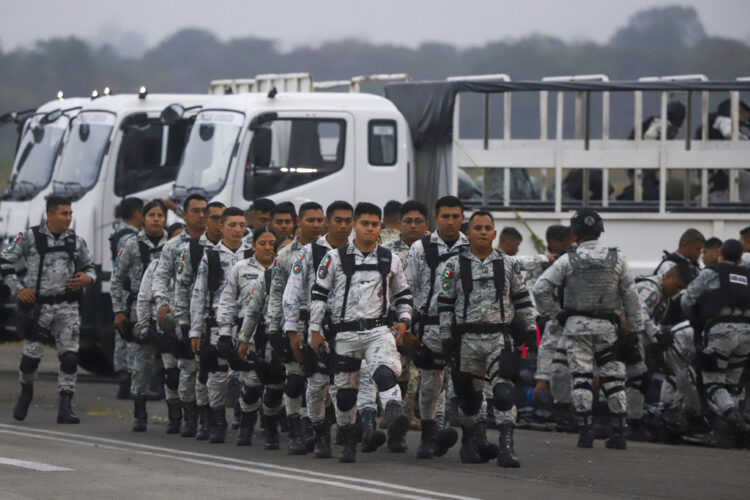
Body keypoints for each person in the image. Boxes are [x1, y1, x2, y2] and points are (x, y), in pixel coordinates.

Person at [309, 202, 413, 463]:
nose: (370, 228)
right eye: (365, 223)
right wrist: (314, 331)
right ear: (355, 225)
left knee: (385, 371)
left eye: (375, 224)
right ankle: (347, 439)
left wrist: (404, 320)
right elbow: (319, 295)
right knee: (345, 395)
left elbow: (403, 294)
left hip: (378, 330)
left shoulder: (390, 258)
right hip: (344, 334)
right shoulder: (334, 258)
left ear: (380, 226)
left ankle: (394, 414)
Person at [534, 208, 644, 450]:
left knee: (581, 378)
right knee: (614, 378)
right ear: (600, 231)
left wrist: (556, 314)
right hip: (608, 327)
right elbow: (631, 296)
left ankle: (585, 432)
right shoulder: (618, 258)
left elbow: (540, 288)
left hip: (576, 327)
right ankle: (619, 432)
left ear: (574, 234)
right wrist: (635, 330)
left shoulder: (568, 259)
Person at [438, 210, 537, 467]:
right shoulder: (453, 265)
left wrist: (530, 331)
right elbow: (445, 303)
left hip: (499, 339)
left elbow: (523, 299)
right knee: (469, 399)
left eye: (487, 228)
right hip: (466, 341)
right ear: (468, 233)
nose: (482, 232)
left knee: (504, 394)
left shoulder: (509, 264)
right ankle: (471, 443)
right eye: (477, 228)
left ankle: (506, 446)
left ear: (494, 233)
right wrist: (446, 337)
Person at [6, 195, 96, 424]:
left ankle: (65, 405)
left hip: (68, 307)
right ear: (50, 214)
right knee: (30, 359)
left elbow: (90, 267)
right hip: (38, 308)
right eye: (64, 213)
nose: (68, 218)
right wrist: (18, 290)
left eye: (70, 213)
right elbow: (4, 261)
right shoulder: (29, 237)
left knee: (70, 358)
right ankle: (26, 391)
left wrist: (87, 279)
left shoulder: (76, 241)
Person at [282, 200, 354, 458]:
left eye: (348, 221)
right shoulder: (309, 252)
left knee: (347, 383)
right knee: (316, 384)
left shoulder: (359, 252)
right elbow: (292, 292)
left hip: (350, 328)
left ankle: (347, 436)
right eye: (338, 220)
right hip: (316, 327)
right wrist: (291, 331)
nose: (343, 226)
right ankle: (320, 432)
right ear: (327, 222)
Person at [405, 195, 467, 459]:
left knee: (470, 383)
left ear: (462, 218)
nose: (450, 222)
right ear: (436, 218)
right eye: (445, 216)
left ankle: (472, 439)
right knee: (431, 384)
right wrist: (407, 327)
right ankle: (428, 436)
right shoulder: (420, 248)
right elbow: (408, 288)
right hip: (430, 326)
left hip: (465, 328)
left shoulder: (471, 247)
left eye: (455, 216)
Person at [266, 202, 326, 454]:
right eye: (310, 220)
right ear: (299, 222)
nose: (316, 225)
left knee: (320, 380)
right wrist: (274, 328)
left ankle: (315, 427)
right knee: (294, 380)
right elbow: (276, 293)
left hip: (324, 323)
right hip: (295, 324)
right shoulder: (285, 255)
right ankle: (295, 431)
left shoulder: (334, 252)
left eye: (319, 220)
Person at [189, 207, 252, 444]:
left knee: (247, 375)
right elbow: (199, 294)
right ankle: (217, 421)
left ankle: (245, 422)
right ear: (221, 227)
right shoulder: (211, 256)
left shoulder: (252, 254)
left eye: (242, 225)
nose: (237, 230)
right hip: (218, 323)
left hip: (247, 324)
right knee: (217, 375)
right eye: (232, 225)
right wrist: (196, 330)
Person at [151, 194, 209, 438]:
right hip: (181, 315)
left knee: (208, 370)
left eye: (205, 210)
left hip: (209, 315)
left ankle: (208, 418)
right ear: (183, 214)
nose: (201, 215)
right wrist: (162, 304)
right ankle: (186, 416)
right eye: (195, 211)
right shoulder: (173, 246)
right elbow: (161, 277)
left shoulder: (215, 243)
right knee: (184, 369)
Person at [680, 239, 750, 439]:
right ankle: (731, 433)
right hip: (747, 334)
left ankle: (735, 419)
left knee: (712, 384)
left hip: (720, 332)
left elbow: (687, 300)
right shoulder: (747, 275)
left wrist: (696, 319)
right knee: (731, 384)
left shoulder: (712, 272)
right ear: (739, 258)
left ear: (720, 254)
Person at [218, 226, 278, 447]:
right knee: (252, 384)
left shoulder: (284, 268)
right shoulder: (240, 268)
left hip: (275, 335)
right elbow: (227, 301)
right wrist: (225, 333)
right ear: (253, 246)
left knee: (275, 385)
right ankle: (246, 425)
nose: (268, 247)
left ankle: (270, 428)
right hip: (249, 334)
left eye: (272, 243)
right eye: (262, 243)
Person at [112, 200, 168, 432]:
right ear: (143, 218)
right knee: (141, 362)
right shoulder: (131, 244)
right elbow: (116, 278)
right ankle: (140, 411)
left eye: (160, 215)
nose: (156, 219)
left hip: (167, 310)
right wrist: (118, 310)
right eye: (151, 215)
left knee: (172, 361)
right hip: (139, 309)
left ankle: (178, 414)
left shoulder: (174, 245)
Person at [173, 201, 226, 439]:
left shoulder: (239, 248)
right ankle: (198, 418)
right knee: (199, 371)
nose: (219, 223)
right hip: (200, 320)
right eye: (214, 218)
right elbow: (183, 287)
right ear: (206, 220)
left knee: (220, 372)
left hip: (227, 321)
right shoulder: (193, 249)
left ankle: (218, 418)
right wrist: (185, 322)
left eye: (223, 218)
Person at [624, 264, 692, 440]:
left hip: (630, 336)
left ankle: (630, 420)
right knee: (637, 379)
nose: (677, 291)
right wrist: (657, 335)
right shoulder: (653, 290)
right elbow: (641, 314)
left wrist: (656, 340)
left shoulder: (662, 294)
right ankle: (632, 423)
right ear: (667, 276)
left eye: (681, 289)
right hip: (627, 336)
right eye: (677, 286)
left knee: (636, 379)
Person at [133, 218, 183, 433]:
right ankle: (141, 414)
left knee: (177, 374)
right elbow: (144, 298)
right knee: (145, 370)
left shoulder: (197, 263)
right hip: (157, 328)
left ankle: (178, 417)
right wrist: (144, 327)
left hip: (182, 328)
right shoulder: (156, 266)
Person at [384, 200, 429, 432]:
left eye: (418, 221)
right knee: (394, 370)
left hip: (427, 322)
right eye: (408, 221)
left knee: (419, 373)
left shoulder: (435, 249)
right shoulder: (386, 251)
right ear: (399, 224)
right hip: (394, 321)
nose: (413, 226)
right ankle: (392, 415)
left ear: (426, 224)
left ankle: (410, 413)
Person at [110, 196, 144, 399]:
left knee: (123, 337)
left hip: (123, 293)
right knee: (129, 338)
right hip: (129, 294)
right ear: (138, 213)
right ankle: (128, 382)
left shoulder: (119, 233)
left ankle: (125, 382)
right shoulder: (130, 238)